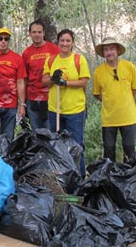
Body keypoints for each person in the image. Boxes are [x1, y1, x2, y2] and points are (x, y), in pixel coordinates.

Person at [42, 28, 90, 177]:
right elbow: (44, 81)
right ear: (58, 42)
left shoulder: (78, 59)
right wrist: (53, 79)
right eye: (62, 40)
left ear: (72, 43)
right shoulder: (51, 60)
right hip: (55, 109)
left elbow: (84, 82)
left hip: (75, 110)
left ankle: (79, 178)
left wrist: (65, 83)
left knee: (76, 146)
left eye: (68, 40)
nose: (65, 43)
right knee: (57, 146)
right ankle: (61, 179)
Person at [93, 37, 136, 163]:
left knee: (129, 151)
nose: (109, 52)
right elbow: (97, 94)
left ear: (118, 50)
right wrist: (110, 101)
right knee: (108, 152)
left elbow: (135, 89)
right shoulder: (98, 72)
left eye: (112, 49)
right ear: (103, 53)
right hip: (109, 119)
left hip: (128, 117)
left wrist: (123, 100)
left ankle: (130, 180)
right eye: (106, 49)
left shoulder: (130, 67)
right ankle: (109, 180)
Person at [22, 20, 60, 130]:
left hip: (50, 98)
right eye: (34, 32)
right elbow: (24, 78)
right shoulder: (26, 53)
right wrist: (23, 102)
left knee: (51, 133)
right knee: (36, 133)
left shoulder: (53, 49)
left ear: (44, 33)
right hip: (32, 99)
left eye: (39, 32)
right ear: (30, 34)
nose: (37, 35)